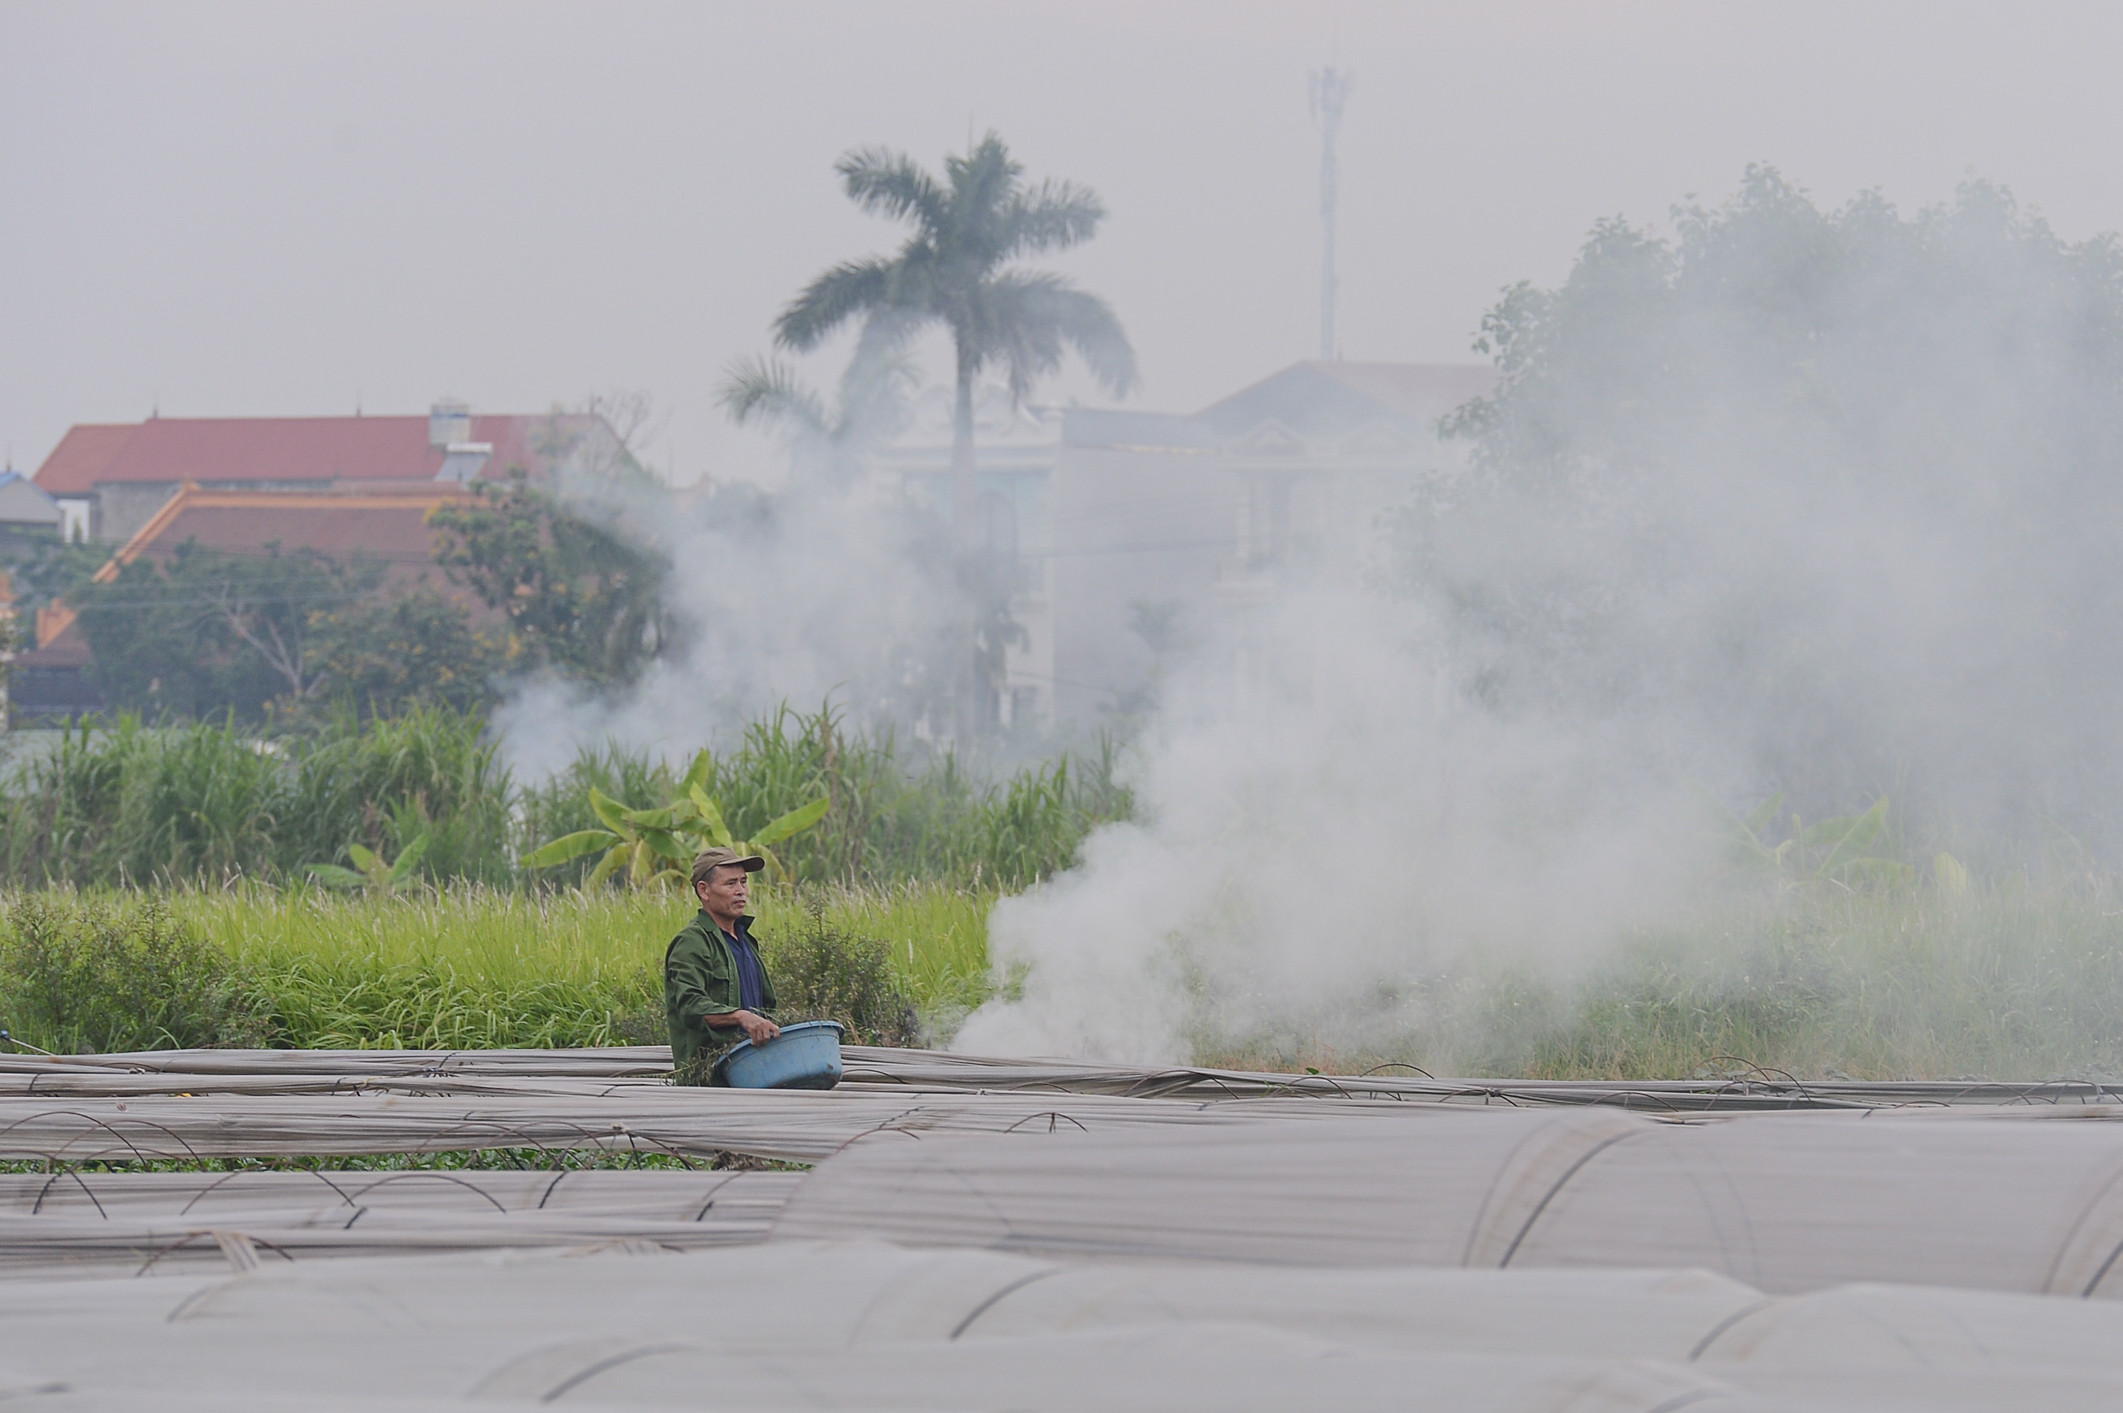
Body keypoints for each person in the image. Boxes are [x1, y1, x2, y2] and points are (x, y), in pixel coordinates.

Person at [665, 846, 781, 1083]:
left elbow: (766, 1008)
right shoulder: (692, 942)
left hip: (755, 1074)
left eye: (743, 882)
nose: (741, 891)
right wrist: (740, 1017)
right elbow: (690, 1006)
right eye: (730, 884)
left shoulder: (746, 941)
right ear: (704, 890)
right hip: (710, 1082)